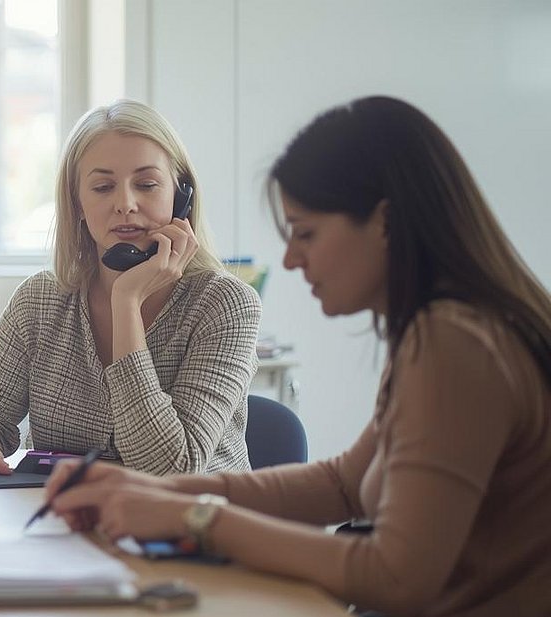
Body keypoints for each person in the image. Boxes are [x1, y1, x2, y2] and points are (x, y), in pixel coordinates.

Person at [46, 96, 551, 616]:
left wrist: (194, 516)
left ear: (385, 222)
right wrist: (147, 492)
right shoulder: (443, 330)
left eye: (305, 233)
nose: (290, 257)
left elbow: (396, 578)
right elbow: (344, 483)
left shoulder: (459, 346)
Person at [0, 99, 261, 479]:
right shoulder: (39, 301)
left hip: (193, 527)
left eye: (147, 185)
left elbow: (170, 470)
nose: (125, 204)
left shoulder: (226, 305)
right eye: (102, 187)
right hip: (64, 524)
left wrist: (127, 302)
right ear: (78, 203)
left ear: (182, 197)